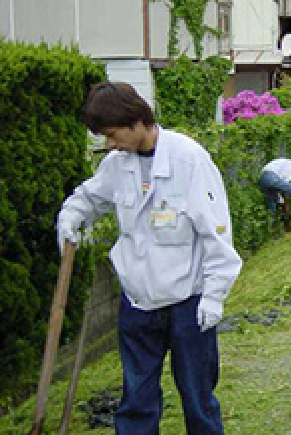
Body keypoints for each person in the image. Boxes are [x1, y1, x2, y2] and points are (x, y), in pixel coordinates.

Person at [56, 81, 242, 434]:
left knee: (197, 397)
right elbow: (89, 198)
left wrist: (215, 296)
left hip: (188, 301)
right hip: (138, 301)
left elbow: (216, 232)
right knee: (137, 397)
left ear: (136, 121)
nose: (110, 144)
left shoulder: (188, 160)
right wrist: (71, 218)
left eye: (112, 134)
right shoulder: (117, 164)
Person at [258, 157, 291, 222]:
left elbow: (280, 188)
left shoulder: (285, 163)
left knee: (272, 206)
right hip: (271, 176)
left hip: (262, 180)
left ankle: (269, 227)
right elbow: (284, 185)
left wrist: (282, 201)